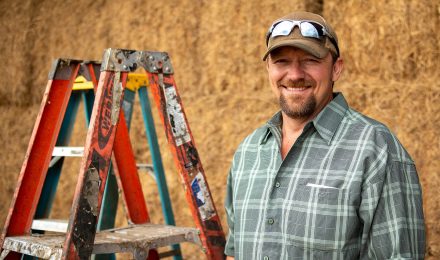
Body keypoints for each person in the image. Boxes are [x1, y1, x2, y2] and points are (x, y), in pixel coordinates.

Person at [224, 11, 425, 259]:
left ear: (336, 68)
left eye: (310, 60)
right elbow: (234, 251)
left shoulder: (376, 148)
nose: (295, 74)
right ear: (268, 68)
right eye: (282, 61)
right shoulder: (248, 151)